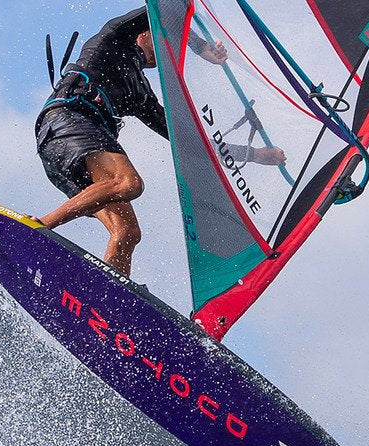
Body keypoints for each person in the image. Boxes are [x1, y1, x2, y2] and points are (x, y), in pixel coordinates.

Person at [34, 7, 286, 276]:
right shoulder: (111, 40)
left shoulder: (141, 94)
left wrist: (253, 154)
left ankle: (110, 292)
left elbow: (189, 139)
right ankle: (41, 225)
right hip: (66, 120)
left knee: (127, 232)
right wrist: (201, 47)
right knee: (129, 183)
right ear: (143, 32)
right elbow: (164, 6)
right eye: (159, 39)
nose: (164, 50)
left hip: (76, 151)